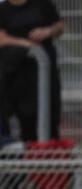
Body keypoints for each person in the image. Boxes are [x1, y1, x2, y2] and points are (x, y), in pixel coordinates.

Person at [0, 0, 64, 141]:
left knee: (50, 111)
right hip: (16, 71)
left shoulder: (42, 4)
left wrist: (48, 31)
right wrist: (27, 45)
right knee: (24, 115)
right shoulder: (3, 9)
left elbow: (59, 26)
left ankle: (49, 150)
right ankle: (28, 153)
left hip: (45, 71)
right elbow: (2, 38)